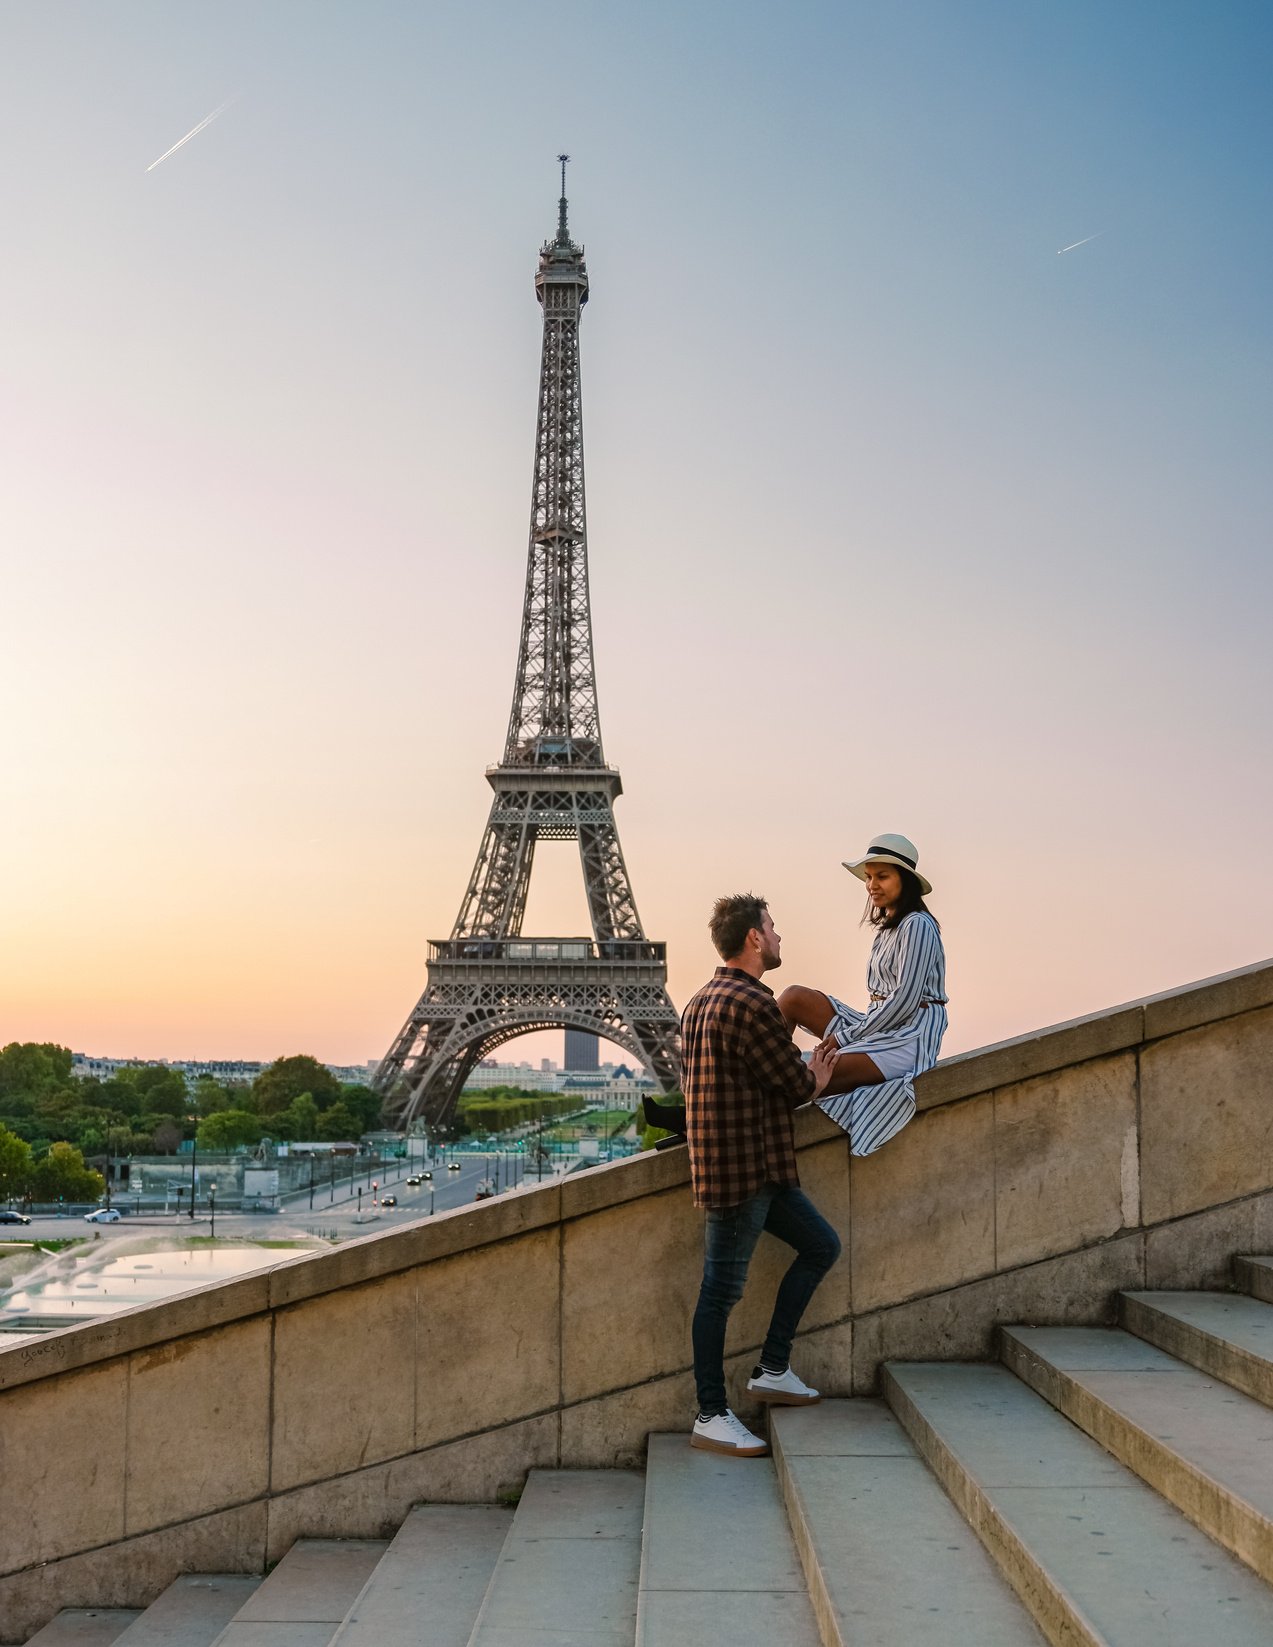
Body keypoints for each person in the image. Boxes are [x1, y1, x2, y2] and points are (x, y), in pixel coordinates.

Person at [681, 893, 841, 1458]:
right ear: (753, 938)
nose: (778, 938)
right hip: (745, 1173)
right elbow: (794, 1086)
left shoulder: (700, 1001)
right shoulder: (753, 1005)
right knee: (719, 1293)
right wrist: (818, 1071)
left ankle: (772, 1367)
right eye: (772, 928)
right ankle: (710, 1412)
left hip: (752, 1170)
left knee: (821, 1245)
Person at [778, 833, 947, 1158]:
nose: (872, 885)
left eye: (882, 876)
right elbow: (881, 1005)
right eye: (869, 877)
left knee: (814, 1070)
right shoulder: (888, 930)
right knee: (793, 997)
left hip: (908, 1037)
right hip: (877, 1025)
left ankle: (722, 1108)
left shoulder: (919, 926)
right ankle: (757, 1069)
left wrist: (844, 1038)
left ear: (906, 881)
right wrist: (850, 1034)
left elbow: (904, 1002)